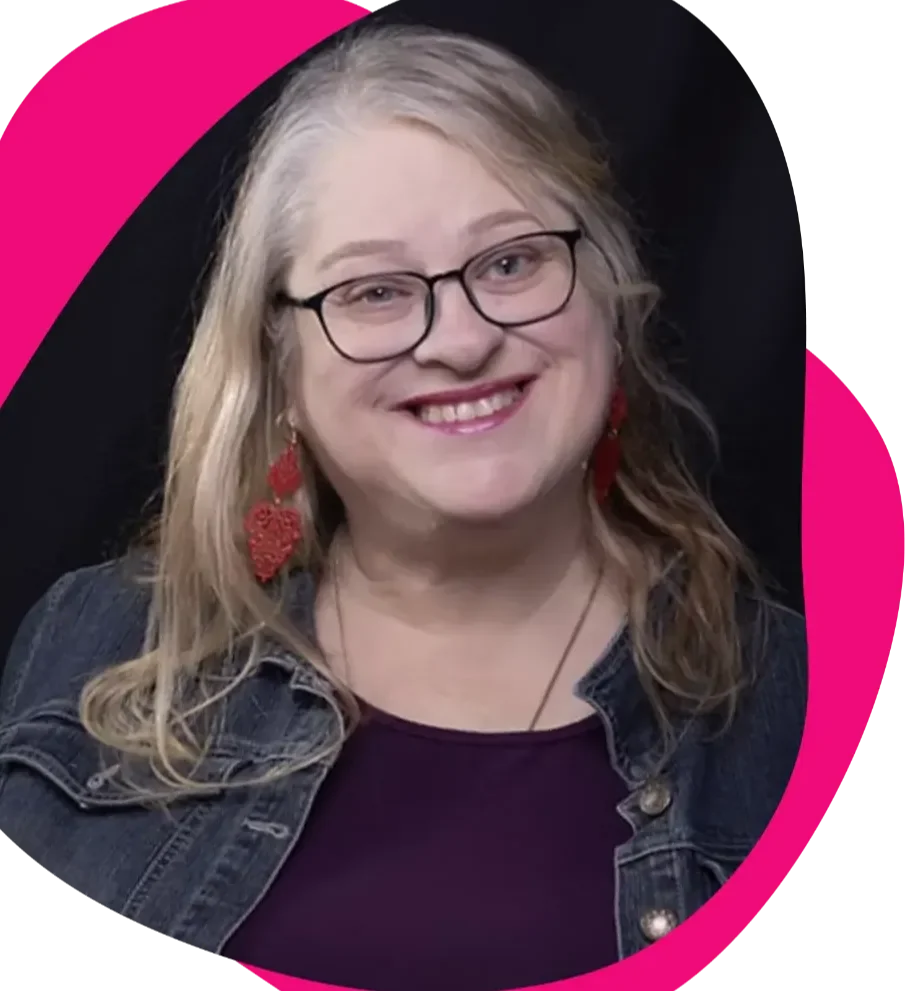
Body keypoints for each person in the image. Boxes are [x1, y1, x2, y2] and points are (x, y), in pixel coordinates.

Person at [0, 23, 807, 991]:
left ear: (607, 297)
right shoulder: (98, 638)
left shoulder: (793, 701)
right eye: (375, 290)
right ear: (281, 367)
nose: (460, 340)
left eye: (511, 263)